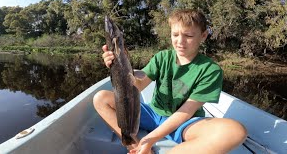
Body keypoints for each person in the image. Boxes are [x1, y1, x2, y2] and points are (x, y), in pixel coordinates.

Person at [93, 9, 247, 154]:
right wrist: (118, 64)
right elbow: (137, 84)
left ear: (204, 36)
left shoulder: (210, 70)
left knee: (235, 132)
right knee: (101, 98)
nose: (180, 41)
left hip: (183, 121)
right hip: (153, 114)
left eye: (188, 36)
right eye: (175, 35)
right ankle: (136, 147)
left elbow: (185, 112)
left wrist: (151, 138)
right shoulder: (162, 58)